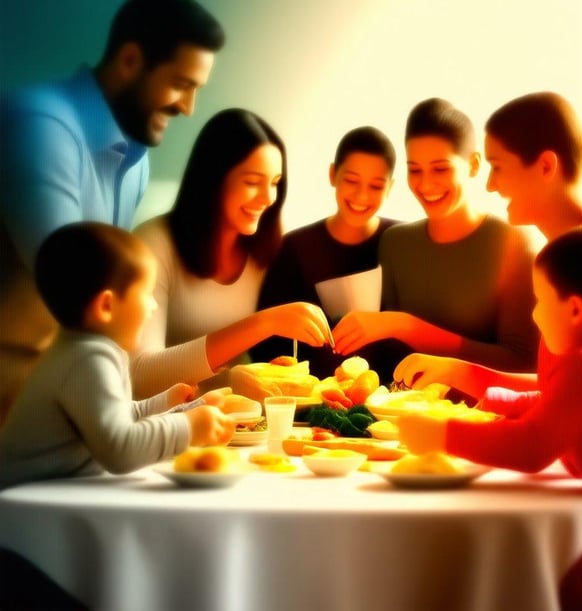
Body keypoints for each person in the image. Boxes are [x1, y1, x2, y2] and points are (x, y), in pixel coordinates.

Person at [397, 225, 582, 611]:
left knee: (581, 592)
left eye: (540, 301)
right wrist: (502, 400)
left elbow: (531, 447)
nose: (535, 314)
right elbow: (557, 407)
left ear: (575, 310)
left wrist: (442, 434)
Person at [0, 0, 225, 424]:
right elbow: (79, 292)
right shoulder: (39, 126)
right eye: (181, 84)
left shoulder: (134, 158)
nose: (188, 107)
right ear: (129, 61)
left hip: (63, 399)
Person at [395, 92, 582, 403]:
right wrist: (456, 371)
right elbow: (561, 390)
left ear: (545, 166)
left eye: (498, 167)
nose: (490, 185)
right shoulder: (578, 249)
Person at [0, 222, 245, 489]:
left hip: (46, 493)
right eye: (146, 294)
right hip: (22, 501)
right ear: (106, 306)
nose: (153, 307)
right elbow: (120, 450)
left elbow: (116, 416)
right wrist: (187, 426)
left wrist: (174, 405)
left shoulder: (84, 349)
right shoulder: (87, 360)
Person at [332, 98, 540, 384]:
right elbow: (389, 358)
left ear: (473, 165)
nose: (425, 184)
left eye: (440, 169)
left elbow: (524, 364)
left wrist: (406, 326)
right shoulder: (395, 244)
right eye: (414, 170)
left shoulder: (514, 242)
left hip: (485, 418)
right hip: (400, 416)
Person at [131, 108, 334, 401]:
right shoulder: (153, 244)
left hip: (239, 424)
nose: (268, 198)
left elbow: (246, 373)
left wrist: (264, 373)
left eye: (275, 182)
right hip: (165, 430)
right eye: (253, 182)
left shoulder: (267, 248)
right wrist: (263, 324)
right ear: (212, 179)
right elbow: (137, 377)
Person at [251, 125, 398, 378]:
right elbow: (265, 345)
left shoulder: (402, 243)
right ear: (333, 174)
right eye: (351, 180)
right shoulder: (294, 247)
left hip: (394, 401)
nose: (362, 195)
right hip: (309, 405)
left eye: (375, 186)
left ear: (390, 187)